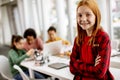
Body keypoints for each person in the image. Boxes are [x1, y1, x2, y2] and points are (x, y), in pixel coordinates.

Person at [69, 0, 114, 80]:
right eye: (80, 15)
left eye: (88, 14)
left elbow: (99, 72)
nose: (83, 19)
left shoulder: (103, 38)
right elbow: (72, 68)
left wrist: (78, 63)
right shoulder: (78, 39)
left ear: (96, 16)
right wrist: (92, 65)